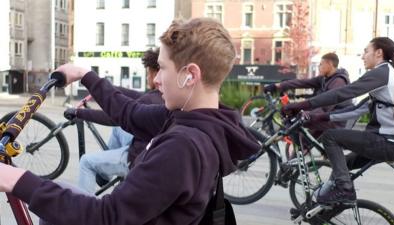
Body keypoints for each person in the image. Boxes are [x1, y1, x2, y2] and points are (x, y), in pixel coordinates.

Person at [0, 17, 260, 225]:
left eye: (163, 69)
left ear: (190, 75)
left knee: (54, 203)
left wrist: (18, 180)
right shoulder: (201, 121)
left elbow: (106, 216)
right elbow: (131, 114)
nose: (156, 80)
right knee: (55, 193)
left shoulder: (182, 147)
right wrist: (85, 75)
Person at [281, 37, 394, 204]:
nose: (362, 56)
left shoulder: (382, 72)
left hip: (387, 142)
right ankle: (327, 206)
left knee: (330, 136)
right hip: (388, 143)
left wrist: (302, 104)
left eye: (366, 51)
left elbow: (344, 92)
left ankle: (345, 189)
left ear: (379, 53)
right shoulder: (387, 74)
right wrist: (317, 116)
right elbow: (356, 109)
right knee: (343, 166)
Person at [64, 48, 163, 193]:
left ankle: (86, 212)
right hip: (148, 146)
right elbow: (137, 96)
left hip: (137, 157)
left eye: (147, 73)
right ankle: (105, 174)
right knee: (119, 129)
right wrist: (107, 88)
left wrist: (79, 112)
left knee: (86, 161)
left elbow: (113, 118)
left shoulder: (151, 99)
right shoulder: (160, 95)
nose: (148, 77)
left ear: (155, 73)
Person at [264, 52, 353, 138]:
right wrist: (278, 85)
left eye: (321, 64)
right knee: (303, 140)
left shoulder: (339, 82)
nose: (319, 67)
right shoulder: (324, 79)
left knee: (301, 130)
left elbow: (327, 107)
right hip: (326, 116)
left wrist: (307, 114)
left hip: (335, 121)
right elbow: (302, 82)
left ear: (329, 64)